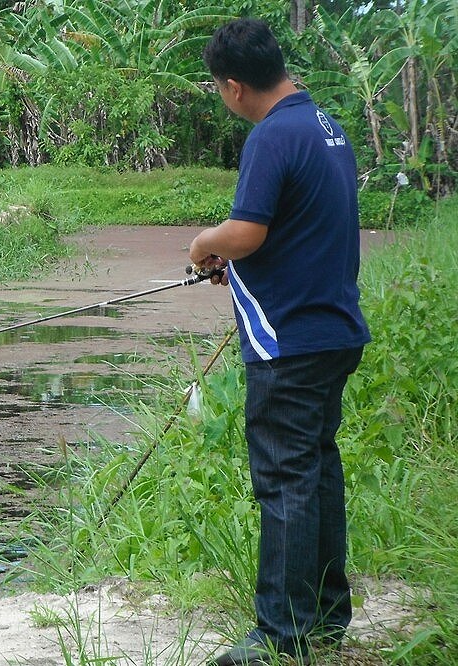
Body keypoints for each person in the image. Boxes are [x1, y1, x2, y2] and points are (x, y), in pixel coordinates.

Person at [189, 18, 371, 666]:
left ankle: (280, 636)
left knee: (286, 480)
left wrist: (205, 246)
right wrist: (237, 264)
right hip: (333, 331)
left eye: (218, 88)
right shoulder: (327, 127)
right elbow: (300, 230)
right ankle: (324, 619)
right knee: (317, 472)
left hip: (289, 342)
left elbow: (248, 231)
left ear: (234, 87)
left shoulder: (271, 137)